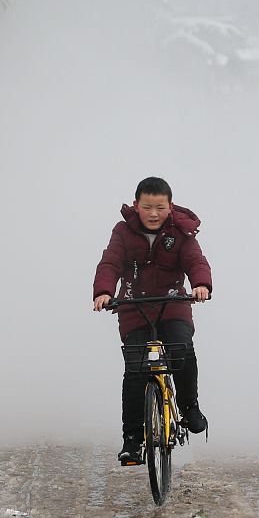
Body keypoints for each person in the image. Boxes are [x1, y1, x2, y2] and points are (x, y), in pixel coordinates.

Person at [93, 177, 213, 466]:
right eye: (147, 207)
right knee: (136, 368)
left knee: (181, 350)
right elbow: (110, 262)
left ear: (170, 207)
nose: (154, 213)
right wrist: (104, 292)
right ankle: (132, 441)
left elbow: (196, 261)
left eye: (160, 207)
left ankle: (189, 408)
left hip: (173, 305)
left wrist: (200, 285)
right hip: (134, 306)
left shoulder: (181, 233)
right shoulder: (123, 232)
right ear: (136, 206)